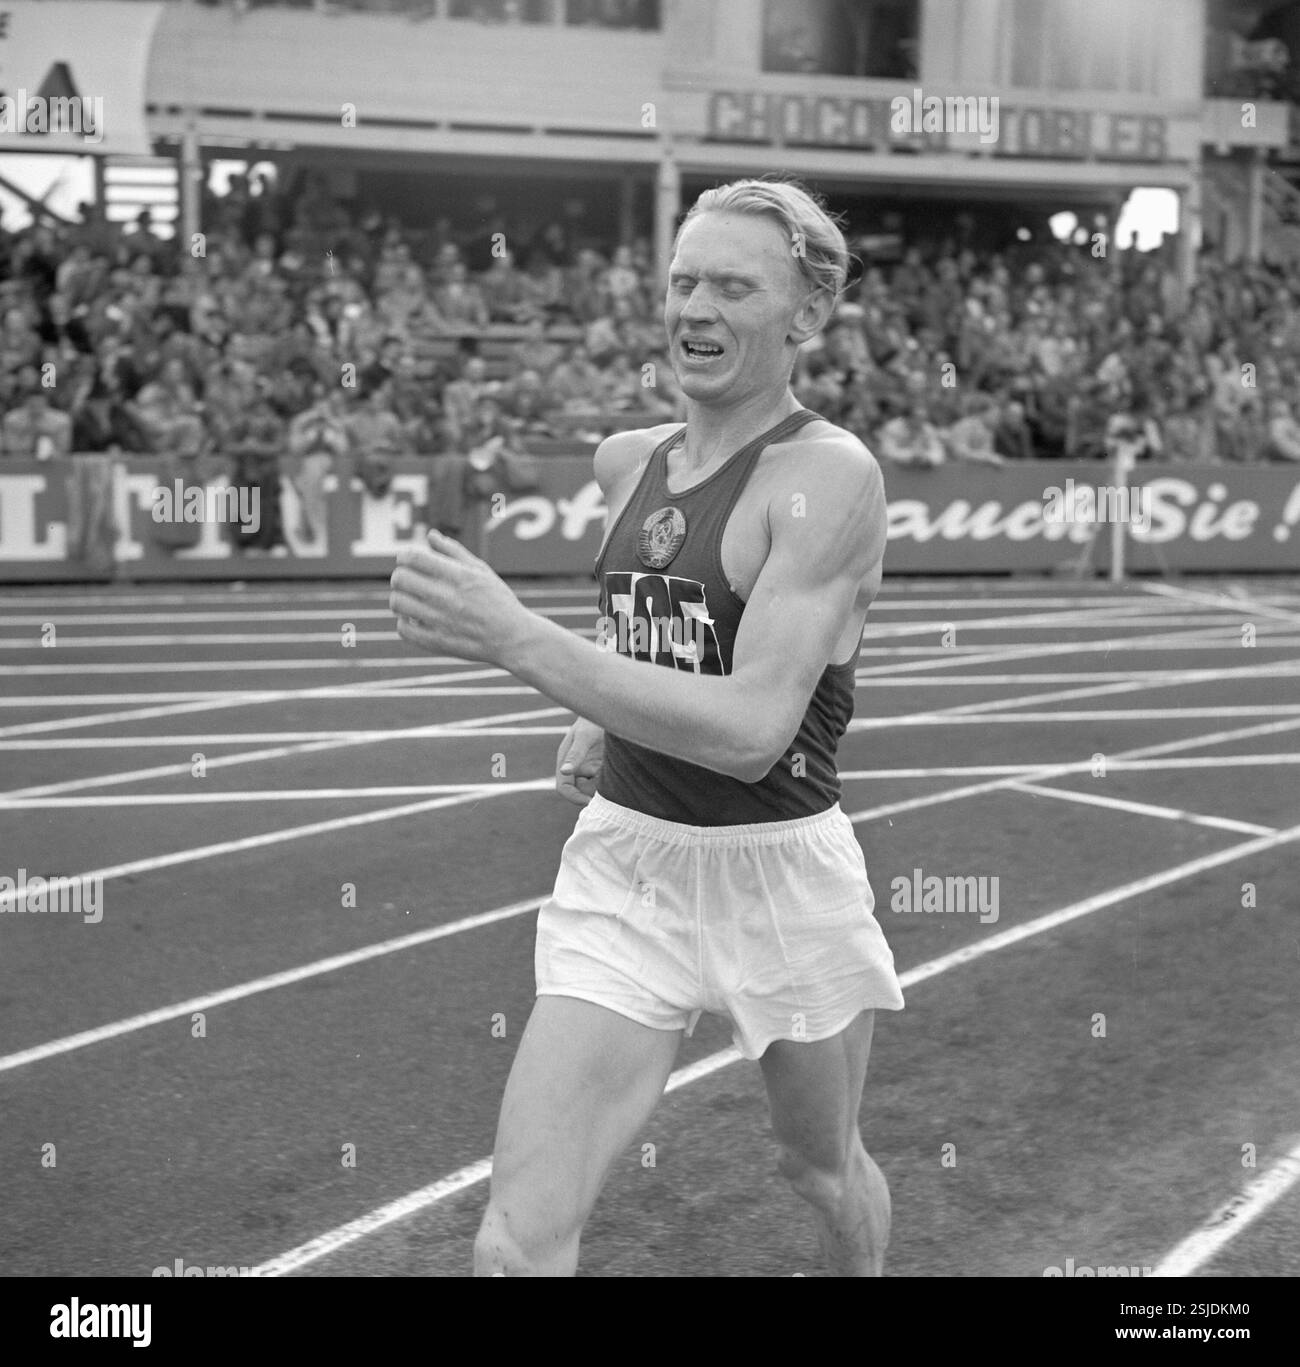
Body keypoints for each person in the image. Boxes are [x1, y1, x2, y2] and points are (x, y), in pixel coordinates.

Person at [390, 178, 903, 1277]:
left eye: (732, 285)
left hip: (783, 876)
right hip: (629, 867)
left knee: (818, 1169)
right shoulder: (628, 461)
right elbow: (652, 631)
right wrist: (597, 710)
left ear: (804, 316)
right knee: (515, 1243)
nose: (695, 307)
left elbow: (753, 729)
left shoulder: (826, 476)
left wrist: (521, 643)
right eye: (682, 282)